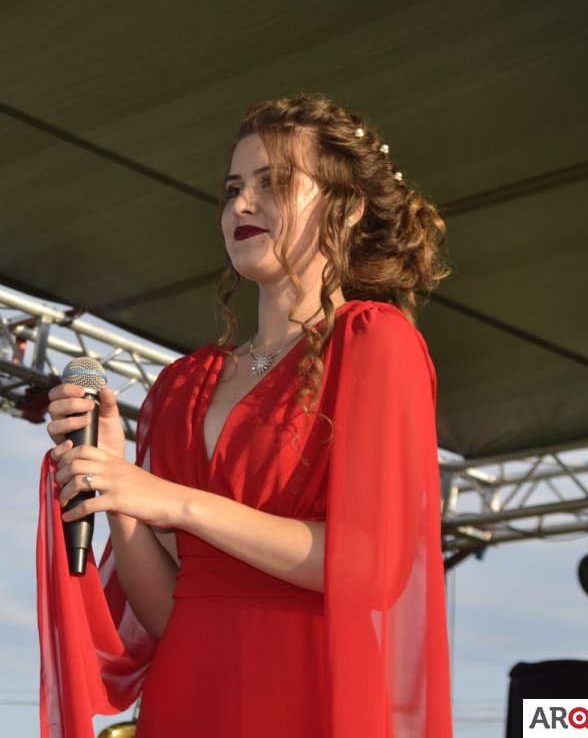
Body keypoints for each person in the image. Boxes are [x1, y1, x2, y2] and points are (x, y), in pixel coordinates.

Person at [38, 95, 453, 737]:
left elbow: (374, 569)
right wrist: (115, 485)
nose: (240, 205)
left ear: (347, 207)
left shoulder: (374, 342)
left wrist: (176, 502)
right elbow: (172, 611)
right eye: (233, 189)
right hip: (186, 698)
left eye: (272, 183)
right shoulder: (182, 386)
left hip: (308, 697)